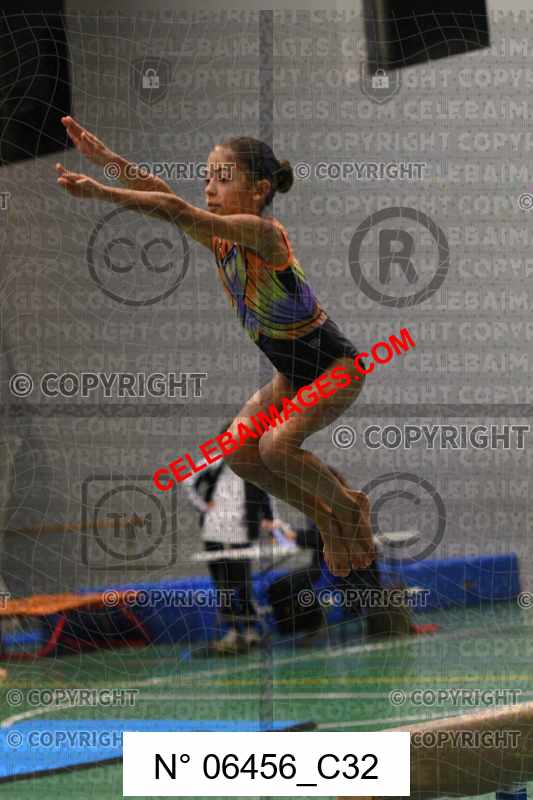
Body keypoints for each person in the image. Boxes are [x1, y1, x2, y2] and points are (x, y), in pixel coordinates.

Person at [55, 117, 376, 579]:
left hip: (336, 366)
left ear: (259, 190)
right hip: (291, 373)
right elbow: (164, 197)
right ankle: (326, 516)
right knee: (241, 451)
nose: (208, 188)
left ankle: (347, 505)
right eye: (207, 178)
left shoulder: (264, 235)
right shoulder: (221, 240)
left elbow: (176, 208)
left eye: (222, 179)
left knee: (277, 447)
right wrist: (107, 160)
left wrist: (101, 192)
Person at [183, 424, 274, 655]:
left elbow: (266, 493)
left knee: (243, 582)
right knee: (222, 584)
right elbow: (188, 480)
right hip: (213, 532)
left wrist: (270, 520)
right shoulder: (214, 461)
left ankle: (251, 629)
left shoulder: (253, 466)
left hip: (240, 533)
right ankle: (233, 630)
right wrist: (204, 507)